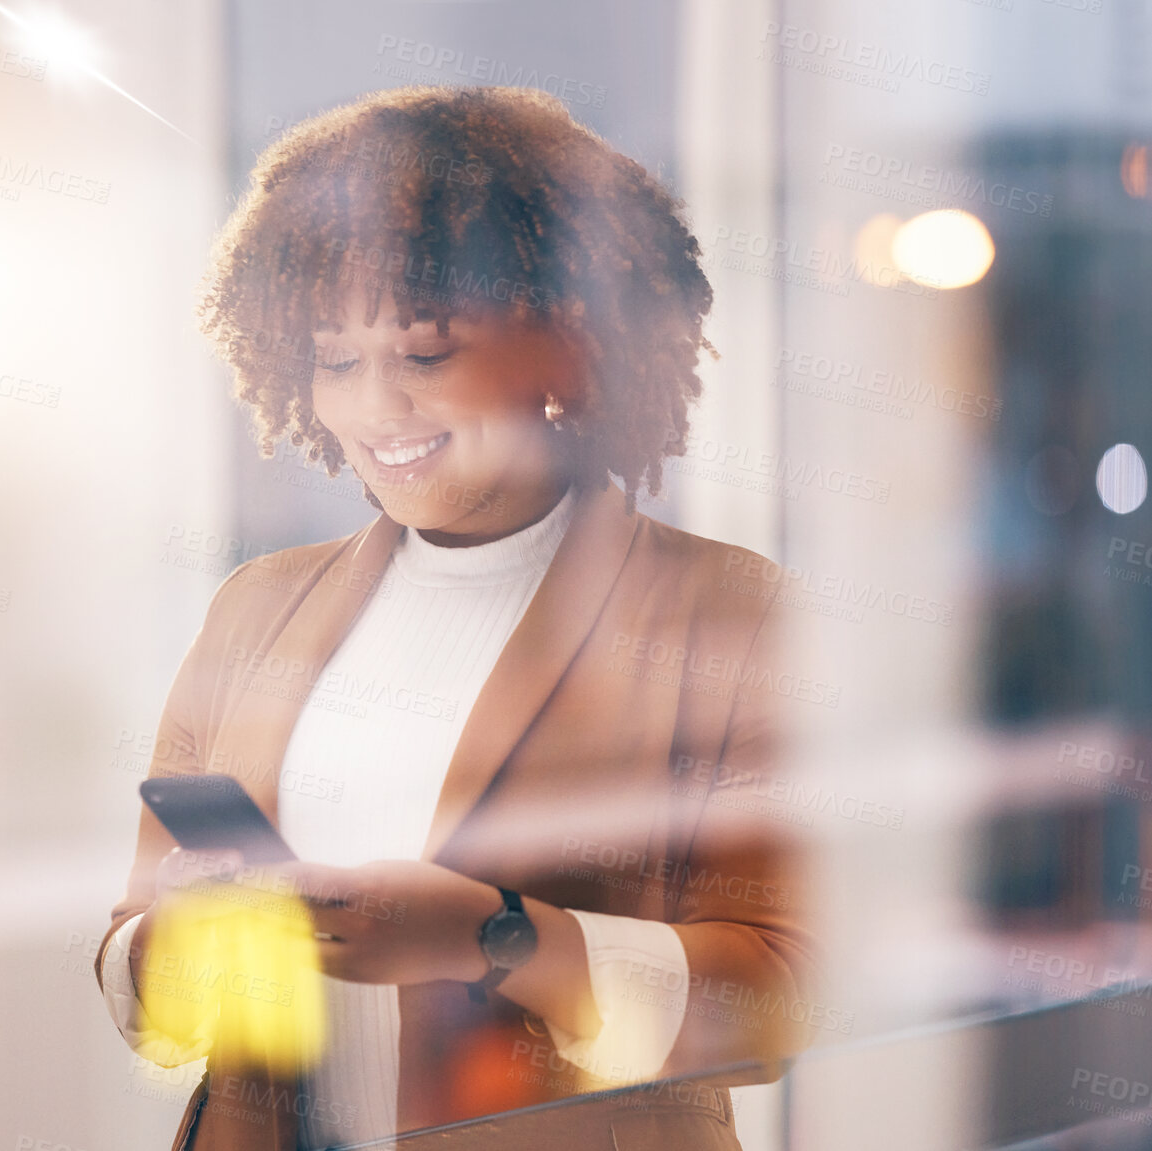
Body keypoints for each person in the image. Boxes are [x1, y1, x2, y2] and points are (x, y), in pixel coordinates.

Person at [96, 85, 821, 1151]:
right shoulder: (256, 608)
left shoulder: (731, 614)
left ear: (565, 348)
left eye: (425, 355)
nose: (374, 409)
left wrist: (493, 935)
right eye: (335, 361)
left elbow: (774, 1009)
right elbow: (138, 974)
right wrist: (181, 943)